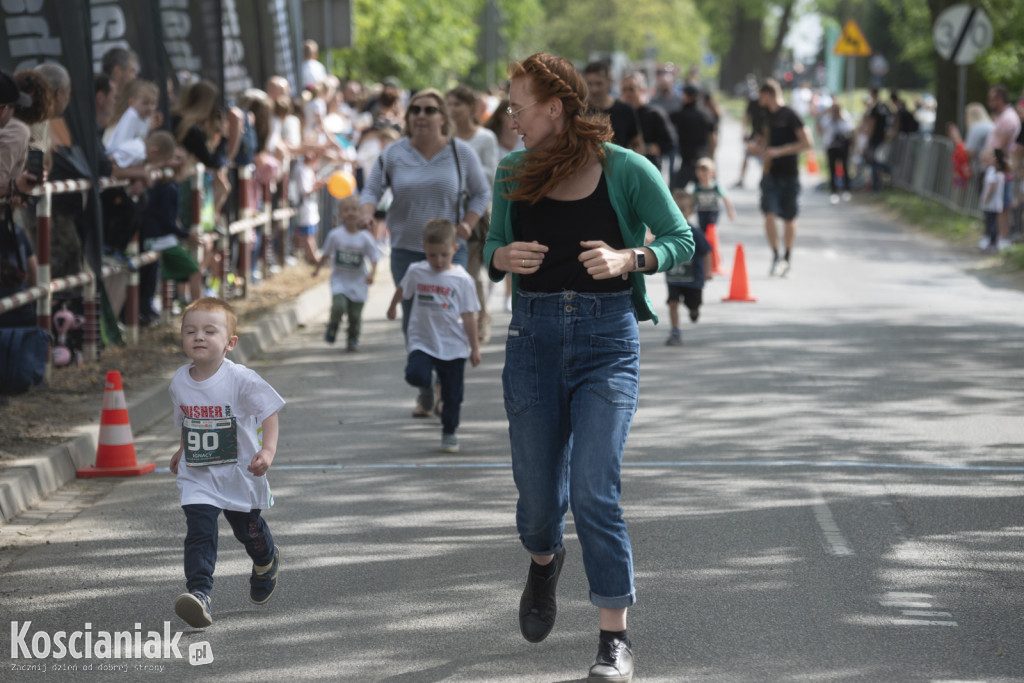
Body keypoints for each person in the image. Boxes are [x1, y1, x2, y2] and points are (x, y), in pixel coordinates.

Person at [483, 52, 694, 683]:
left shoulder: (625, 169)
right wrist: (504, 256)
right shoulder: (511, 171)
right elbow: (491, 246)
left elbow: (681, 239)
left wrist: (631, 258)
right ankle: (545, 562)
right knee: (539, 507)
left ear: (555, 108)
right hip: (533, 341)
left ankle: (613, 639)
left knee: (596, 491)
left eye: (518, 106)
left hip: (607, 342)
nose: (510, 117)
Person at [168, 297, 285, 628]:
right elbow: (187, 420)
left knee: (248, 531)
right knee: (200, 531)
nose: (199, 337)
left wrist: (268, 451)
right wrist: (181, 450)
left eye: (209, 331)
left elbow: (269, 412)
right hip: (199, 475)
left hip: (240, 473)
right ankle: (200, 593)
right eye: (190, 331)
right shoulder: (179, 381)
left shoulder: (241, 379)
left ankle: (266, 560)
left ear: (230, 343)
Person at [357, 88, 490, 335]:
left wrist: (469, 223)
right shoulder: (393, 153)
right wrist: (366, 213)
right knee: (415, 319)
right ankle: (420, 372)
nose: (421, 115)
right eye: (415, 110)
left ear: (443, 117)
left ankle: (448, 371)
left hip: (449, 250)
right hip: (406, 250)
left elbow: (482, 192)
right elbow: (371, 190)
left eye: (430, 110)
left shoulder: (460, 152)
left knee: (448, 317)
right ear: (407, 117)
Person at [386, 219, 481, 452]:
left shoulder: (462, 280)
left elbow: (469, 316)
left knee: (453, 396)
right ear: (424, 250)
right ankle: (427, 388)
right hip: (423, 340)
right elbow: (402, 289)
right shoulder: (416, 271)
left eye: (444, 255)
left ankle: (449, 431)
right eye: (432, 255)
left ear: (455, 250)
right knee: (415, 375)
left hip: (453, 346)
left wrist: (474, 348)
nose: (438, 261)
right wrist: (393, 306)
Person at [447, 85, 499, 344]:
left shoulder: (485, 138)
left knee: (470, 269)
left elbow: (491, 174)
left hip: (475, 210)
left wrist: (468, 175)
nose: (452, 110)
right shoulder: (444, 137)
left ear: (470, 107)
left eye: (457, 104)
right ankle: (454, 320)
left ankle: (479, 317)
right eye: (449, 105)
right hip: (447, 210)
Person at [748, 79, 811, 277]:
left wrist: (780, 151)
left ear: (769, 94)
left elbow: (806, 143)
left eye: (761, 95)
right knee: (769, 214)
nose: (759, 100)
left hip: (790, 173)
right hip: (769, 173)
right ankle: (776, 255)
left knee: (789, 218)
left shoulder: (790, 115)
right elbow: (759, 140)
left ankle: (787, 258)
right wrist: (755, 147)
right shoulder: (762, 116)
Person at [140, 131, 203, 321]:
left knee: (154, 277)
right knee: (194, 270)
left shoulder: (165, 187)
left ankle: (152, 307)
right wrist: (186, 235)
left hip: (156, 238)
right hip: (158, 240)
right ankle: (198, 314)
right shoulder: (169, 189)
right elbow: (167, 222)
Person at [313, 195, 380, 351]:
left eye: (354, 210)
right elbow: (326, 254)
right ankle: (333, 325)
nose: (350, 213)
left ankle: (352, 338)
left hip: (359, 282)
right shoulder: (335, 235)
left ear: (361, 214)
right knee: (338, 306)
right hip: (340, 281)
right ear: (340, 214)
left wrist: (372, 274)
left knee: (355, 316)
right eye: (346, 210)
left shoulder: (365, 237)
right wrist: (317, 269)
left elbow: (374, 257)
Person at [664, 189, 710, 347]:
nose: (679, 213)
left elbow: (706, 251)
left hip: (693, 279)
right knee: (672, 303)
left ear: (691, 211)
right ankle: (675, 331)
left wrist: (708, 272)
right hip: (675, 277)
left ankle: (694, 310)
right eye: (675, 209)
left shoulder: (694, 232)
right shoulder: (667, 231)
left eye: (683, 209)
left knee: (693, 304)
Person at [984, 85, 1021, 249]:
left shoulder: (1008, 118)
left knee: (1003, 207)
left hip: (1003, 170)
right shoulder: (1003, 117)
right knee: (999, 207)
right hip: (1002, 168)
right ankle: (997, 238)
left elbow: (1010, 150)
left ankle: (1003, 238)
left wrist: (1001, 163)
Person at [618, 71, 676, 175]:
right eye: (624, 89)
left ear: (642, 89)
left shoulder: (654, 114)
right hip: (623, 171)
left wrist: (646, 148)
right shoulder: (617, 114)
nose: (627, 93)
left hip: (648, 171)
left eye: (631, 89)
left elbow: (670, 144)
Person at [583, 61, 639, 150]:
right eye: (589, 84)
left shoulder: (626, 110)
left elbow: (637, 144)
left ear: (609, 81)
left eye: (599, 83)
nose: (594, 89)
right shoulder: (579, 111)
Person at [105, 78, 159, 167]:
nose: (149, 107)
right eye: (145, 103)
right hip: (116, 155)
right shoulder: (132, 116)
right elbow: (121, 143)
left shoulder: (146, 119)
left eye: (153, 103)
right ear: (132, 102)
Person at [670, 84, 715, 190]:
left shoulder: (680, 115)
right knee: (705, 195)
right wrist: (711, 158)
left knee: (674, 193)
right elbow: (713, 138)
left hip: (687, 160)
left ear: (685, 96)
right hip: (703, 159)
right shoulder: (707, 114)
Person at [290, 148, 324, 264]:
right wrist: (319, 186)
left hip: (309, 205)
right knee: (307, 234)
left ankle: (313, 256)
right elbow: (305, 190)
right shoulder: (301, 169)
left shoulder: (308, 170)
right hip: (304, 206)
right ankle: (312, 258)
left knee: (311, 233)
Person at [818, 100, 855, 202]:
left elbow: (851, 131)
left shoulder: (846, 117)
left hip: (843, 147)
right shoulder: (827, 119)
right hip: (831, 147)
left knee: (845, 168)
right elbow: (820, 129)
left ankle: (846, 189)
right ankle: (833, 191)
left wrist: (854, 146)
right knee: (832, 169)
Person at [692, 157, 736, 232]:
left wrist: (730, 211)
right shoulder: (697, 188)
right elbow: (692, 199)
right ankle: (705, 242)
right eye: (701, 174)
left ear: (712, 173)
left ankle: (712, 241)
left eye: (706, 173)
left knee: (711, 228)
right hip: (702, 211)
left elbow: (726, 198)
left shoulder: (716, 187)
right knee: (702, 228)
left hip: (713, 211)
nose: (703, 176)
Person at [864, 87, 892, 191]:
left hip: (875, 137)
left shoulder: (875, 108)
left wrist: (868, 139)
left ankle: (877, 184)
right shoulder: (885, 107)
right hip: (884, 138)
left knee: (874, 161)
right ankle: (886, 175)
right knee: (879, 159)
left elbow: (871, 125)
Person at [979, 148, 1007, 251]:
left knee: (990, 222)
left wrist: (986, 197)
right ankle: (992, 242)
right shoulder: (999, 171)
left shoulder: (993, 171)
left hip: (991, 203)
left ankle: (991, 242)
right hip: (996, 202)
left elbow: (992, 185)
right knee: (993, 222)